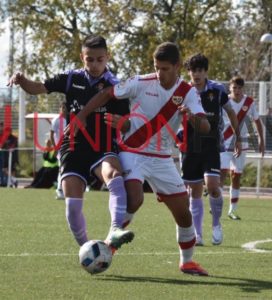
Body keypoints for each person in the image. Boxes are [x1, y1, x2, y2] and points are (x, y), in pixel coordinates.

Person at [72, 42, 211, 276]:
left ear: (177, 66)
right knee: (134, 199)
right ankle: (109, 243)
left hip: (163, 159)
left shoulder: (187, 92)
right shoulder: (140, 82)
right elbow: (107, 93)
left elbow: (205, 126)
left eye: (165, 68)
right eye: (157, 67)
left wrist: (192, 118)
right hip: (132, 151)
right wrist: (82, 116)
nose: (160, 73)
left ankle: (187, 262)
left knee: (184, 215)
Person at [8, 35, 134, 251]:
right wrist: (22, 80)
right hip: (74, 146)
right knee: (72, 207)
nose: (95, 65)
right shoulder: (70, 78)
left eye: (100, 59)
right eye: (90, 59)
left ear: (108, 57)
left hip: (102, 145)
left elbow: (127, 125)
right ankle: (88, 249)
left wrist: (121, 124)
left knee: (114, 175)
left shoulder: (116, 86)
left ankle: (115, 229)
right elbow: (38, 87)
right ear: (82, 57)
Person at [180, 53, 241, 246]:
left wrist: (238, 137)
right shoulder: (183, 91)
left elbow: (230, 111)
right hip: (190, 148)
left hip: (212, 145)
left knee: (213, 187)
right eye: (192, 70)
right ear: (188, 72)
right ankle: (197, 234)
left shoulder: (218, 90)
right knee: (194, 191)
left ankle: (216, 224)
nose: (195, 74)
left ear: (206, 71)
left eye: (199, 70)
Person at [220, 76, 265, 220]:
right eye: (234, 88)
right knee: (222, 172)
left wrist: (261, 139)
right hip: (225, 142)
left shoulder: (249, 102)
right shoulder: (224, 101)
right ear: (230, 88)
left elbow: (257, 121)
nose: (237, 91)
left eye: (239, 88)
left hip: (242, 143)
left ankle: (232, 210)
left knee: (236, 176)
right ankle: (217, 204)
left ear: (243, 89)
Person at [50, 101, 67, 199]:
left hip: (69, 148)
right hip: (60, 148)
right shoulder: (56, 120)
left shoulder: (70, 119)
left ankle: (65, 189)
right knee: (62, 168)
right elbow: (52, 135)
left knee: (67, 168)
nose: (64, 109)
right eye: (63, 107)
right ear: (60, 108)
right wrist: (55, 148)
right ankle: (59, 190)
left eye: (66, 107)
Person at [0, 123, 19, 187]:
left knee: (12, 170)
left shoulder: (14, 138)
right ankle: (14, 180)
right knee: (4, 169)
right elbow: (2, 146)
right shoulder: (5, 138)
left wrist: (9, 148)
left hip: (13, 157)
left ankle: (12, 182)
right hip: (6, 157)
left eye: (8, 131)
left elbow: (13, 146)